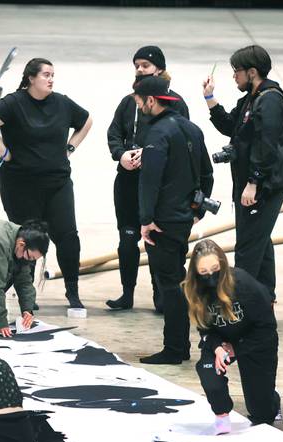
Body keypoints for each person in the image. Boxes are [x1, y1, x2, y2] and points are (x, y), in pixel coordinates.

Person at [0, 58, 93, 309]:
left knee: (68, 236)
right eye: (46, 75)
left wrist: (70, 147)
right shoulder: (14, 103)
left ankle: (72, 292)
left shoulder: (61, 102)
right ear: (31, 78)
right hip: (20, 184)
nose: (51, 79)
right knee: (27, 238)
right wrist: (4, 152)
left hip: (57, 182)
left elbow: (86, 121)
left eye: (53, 75)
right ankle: (27, 295)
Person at [203, 44, 283, 302]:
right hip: (250, 182)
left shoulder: (271, 99)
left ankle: (240, 302)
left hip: (264, 185)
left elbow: (267, 146)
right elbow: (232, 127)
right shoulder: (252, 98)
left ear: (252, 72)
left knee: (248, 248)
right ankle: (265, 297)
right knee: (259, 242)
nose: (234, 76)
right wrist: (210, 98)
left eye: (237, 71)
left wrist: (253, 182)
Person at [135, 75, 214, 364]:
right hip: (182, 217)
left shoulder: (157, 134)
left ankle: (175, 348)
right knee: (177, 280)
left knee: (170, 284)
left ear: (151, 101)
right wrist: (197, 210)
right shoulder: (192, 128)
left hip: (162, 222)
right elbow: (207, 173)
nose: (138, 106)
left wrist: (145, 219)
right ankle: (180, 345)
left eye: (139, 101)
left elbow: (149, 180)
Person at [106, 45, 190, 312]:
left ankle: (161, 296)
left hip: (159, 186)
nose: (140, 69)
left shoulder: (174, 103)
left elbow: (182, 141)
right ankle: (127, 294)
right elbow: (114, 133)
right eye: (137, 65)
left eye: (145, 65)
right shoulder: (128, 102)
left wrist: (149, 154)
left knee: (157, 242)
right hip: (128, 181)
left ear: (160, 69)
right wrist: (121, 155)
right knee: (127, 239)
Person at [183, 239, 280, 432]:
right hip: (223, 340)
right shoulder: (193, 290)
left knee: (262, 414)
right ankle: (222, 416)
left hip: (256, 340)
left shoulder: (243, 284)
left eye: (215, 268)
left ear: (222, 264)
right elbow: (204, 328)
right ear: (196, 273)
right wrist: (218, 347)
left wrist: (238, 348)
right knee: (208, 371)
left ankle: (271, 399)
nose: (210, 276)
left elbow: (267, 327)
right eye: (203, 272)